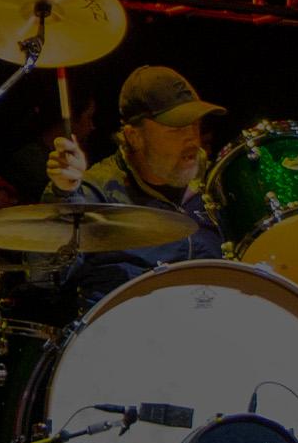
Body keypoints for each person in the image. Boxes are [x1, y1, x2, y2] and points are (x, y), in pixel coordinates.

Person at [53, 66, 231, 293]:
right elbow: (48, 276)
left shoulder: (214, 185)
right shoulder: (93, 192)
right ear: (134, 136)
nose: (192, 139)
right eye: (176, 129)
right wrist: (65, 194)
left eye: (195, 124)